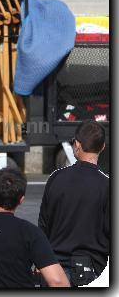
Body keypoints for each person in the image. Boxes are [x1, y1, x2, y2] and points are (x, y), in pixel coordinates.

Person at [38, 120, 109, 287]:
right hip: (90, 271)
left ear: (77, 144)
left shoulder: (56, 178)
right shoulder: (107, 186)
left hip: (53, 268)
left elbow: (43, 225)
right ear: (103, 147)